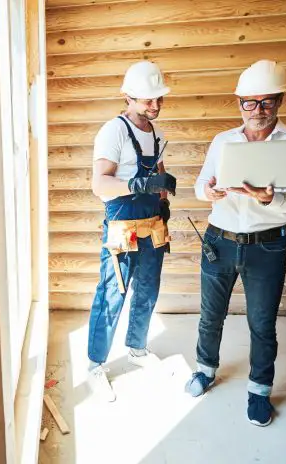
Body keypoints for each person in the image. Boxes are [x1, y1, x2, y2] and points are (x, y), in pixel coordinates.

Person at [185, 60, 286, 426]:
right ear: (239, 102)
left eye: (267, 102)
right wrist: (208, 191)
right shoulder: (222, 140)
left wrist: (269, 199)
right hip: (219, 240)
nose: (258, 111)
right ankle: (204, 370)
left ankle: (259, 390)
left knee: (262, 323)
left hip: (267, 246)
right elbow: (200, 185)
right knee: (210, 315)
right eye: (250, 102)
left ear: (280, 100)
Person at [87, 61, 177, 402]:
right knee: (112, 295)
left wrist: (163, 199)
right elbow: (99, 184)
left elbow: (161, 176)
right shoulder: (114, 131)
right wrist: (134, 183)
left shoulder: (158, 135)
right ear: (129, 97)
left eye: (159, 100)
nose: (154, 106)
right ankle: (96, 364)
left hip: (153, 226)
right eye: (147, 100)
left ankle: (137, 348)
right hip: (122, 228)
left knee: (147, 292)